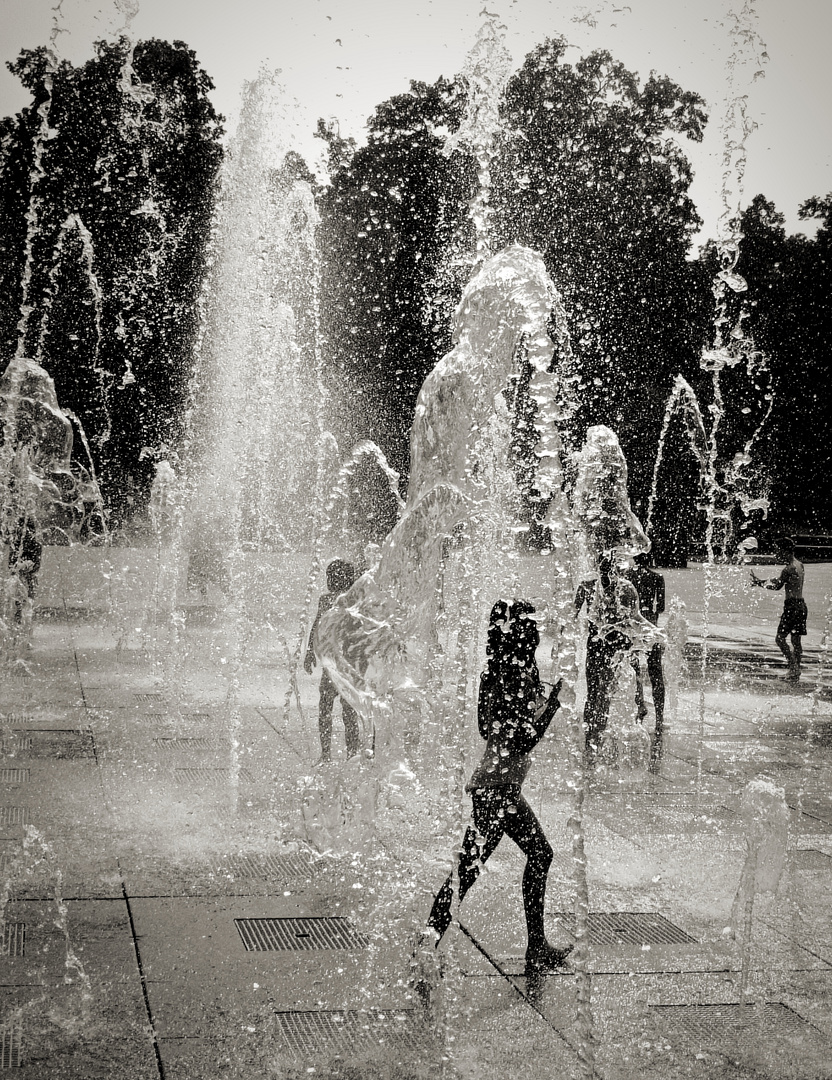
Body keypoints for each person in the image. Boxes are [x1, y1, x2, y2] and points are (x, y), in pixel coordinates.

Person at [418, 600, 572, 975]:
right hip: (499, 789)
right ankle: (426, 946)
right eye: (530, 625)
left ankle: (532, 945)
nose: (536, 632)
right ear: (521, 631)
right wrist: (552, 706)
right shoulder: (516, 677)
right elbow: (521, 741)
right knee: (471, 869)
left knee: (501, 862)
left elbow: (487, 730)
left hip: (495, 785)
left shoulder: (494, 673)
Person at [575, 555, 641, 758]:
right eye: (602, 569)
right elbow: (572, 613)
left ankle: (599, 734)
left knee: (606, 691)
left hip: (616, 646)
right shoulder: (588, 585)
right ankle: (592, 735)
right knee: (595, 691)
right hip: (597, 645)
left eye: (608, 569)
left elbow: (635, 619)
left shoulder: (626, 588)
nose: (605, 573)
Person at [304, 559, 360, 762]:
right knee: (348, 712)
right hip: (345, 665)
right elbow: (319, 626)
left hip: (338, 665)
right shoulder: (353, 600)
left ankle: (327, 754)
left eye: (330, 577)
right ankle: (350, 753)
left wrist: (310, 652)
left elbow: (317, 627)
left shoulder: (335, 601)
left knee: (327, 709)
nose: (328, 580)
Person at [750, 537, 808, 681]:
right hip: (801, 605)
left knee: (780, 639)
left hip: (792, 607)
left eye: (778, 551)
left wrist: (759, 584)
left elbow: (777, 586)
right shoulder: (799, 565)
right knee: (796, 641)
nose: (777, 554)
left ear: (784, 551)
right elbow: (781, 580)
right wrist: (762, 581)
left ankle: (793, 667)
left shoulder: (788, 569)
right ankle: (795, 671)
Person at [627, 552, 666, 742]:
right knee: (655, 671)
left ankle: (640, 703)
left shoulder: (627, 577)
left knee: (632, 668)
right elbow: (661, 607)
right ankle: (659, 717)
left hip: (633, 627)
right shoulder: (657, 578)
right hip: (650, 626)